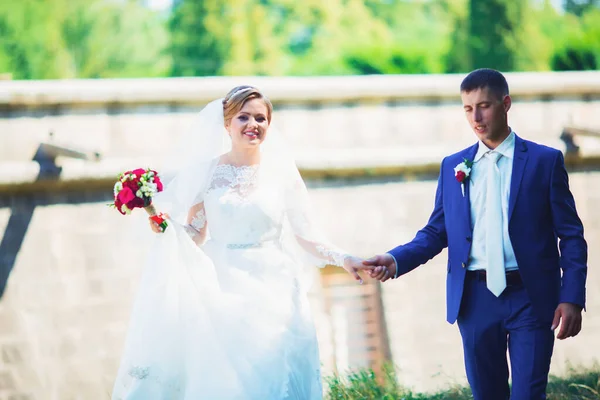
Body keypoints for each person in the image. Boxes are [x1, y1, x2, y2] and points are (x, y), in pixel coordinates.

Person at [111, 86, 371, 399]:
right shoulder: (208, 173)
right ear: (227, 124)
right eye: (243, 117)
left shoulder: (281, 173)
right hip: (221, 285)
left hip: (274, 286)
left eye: (261, 118)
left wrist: (343, 258)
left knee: (275, 371)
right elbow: (196, 232)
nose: (253, 124)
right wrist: (166, 228)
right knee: (230, 377)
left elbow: (306, 233)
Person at [365, 68, 587, 400]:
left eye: (484, 106)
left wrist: (571, 297)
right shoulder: (453, 165)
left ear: (505, 103)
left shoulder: (545, 161)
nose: (476, 117)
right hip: (475, 300)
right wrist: (396, 259)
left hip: (532, 297)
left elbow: (571, 235)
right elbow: (436, 232)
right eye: (468, 108)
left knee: (528, 394)